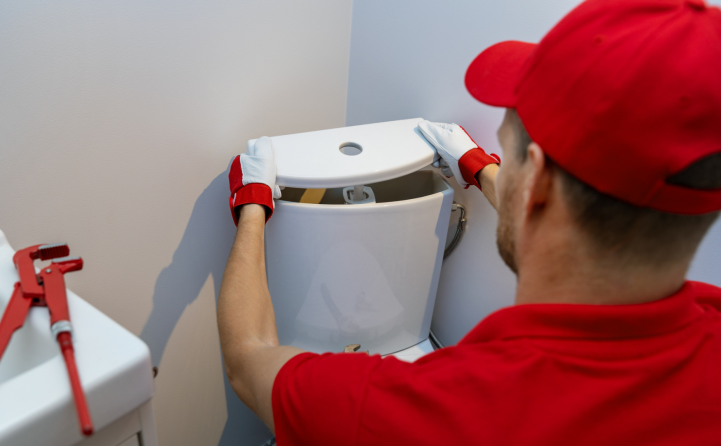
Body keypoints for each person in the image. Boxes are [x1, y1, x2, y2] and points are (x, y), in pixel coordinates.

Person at [217, 0, 721, 444]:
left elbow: (249, 359)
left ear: (538, 181)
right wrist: (478, 169)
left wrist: (254, 204)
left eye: (509, 153)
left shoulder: (411, 412)